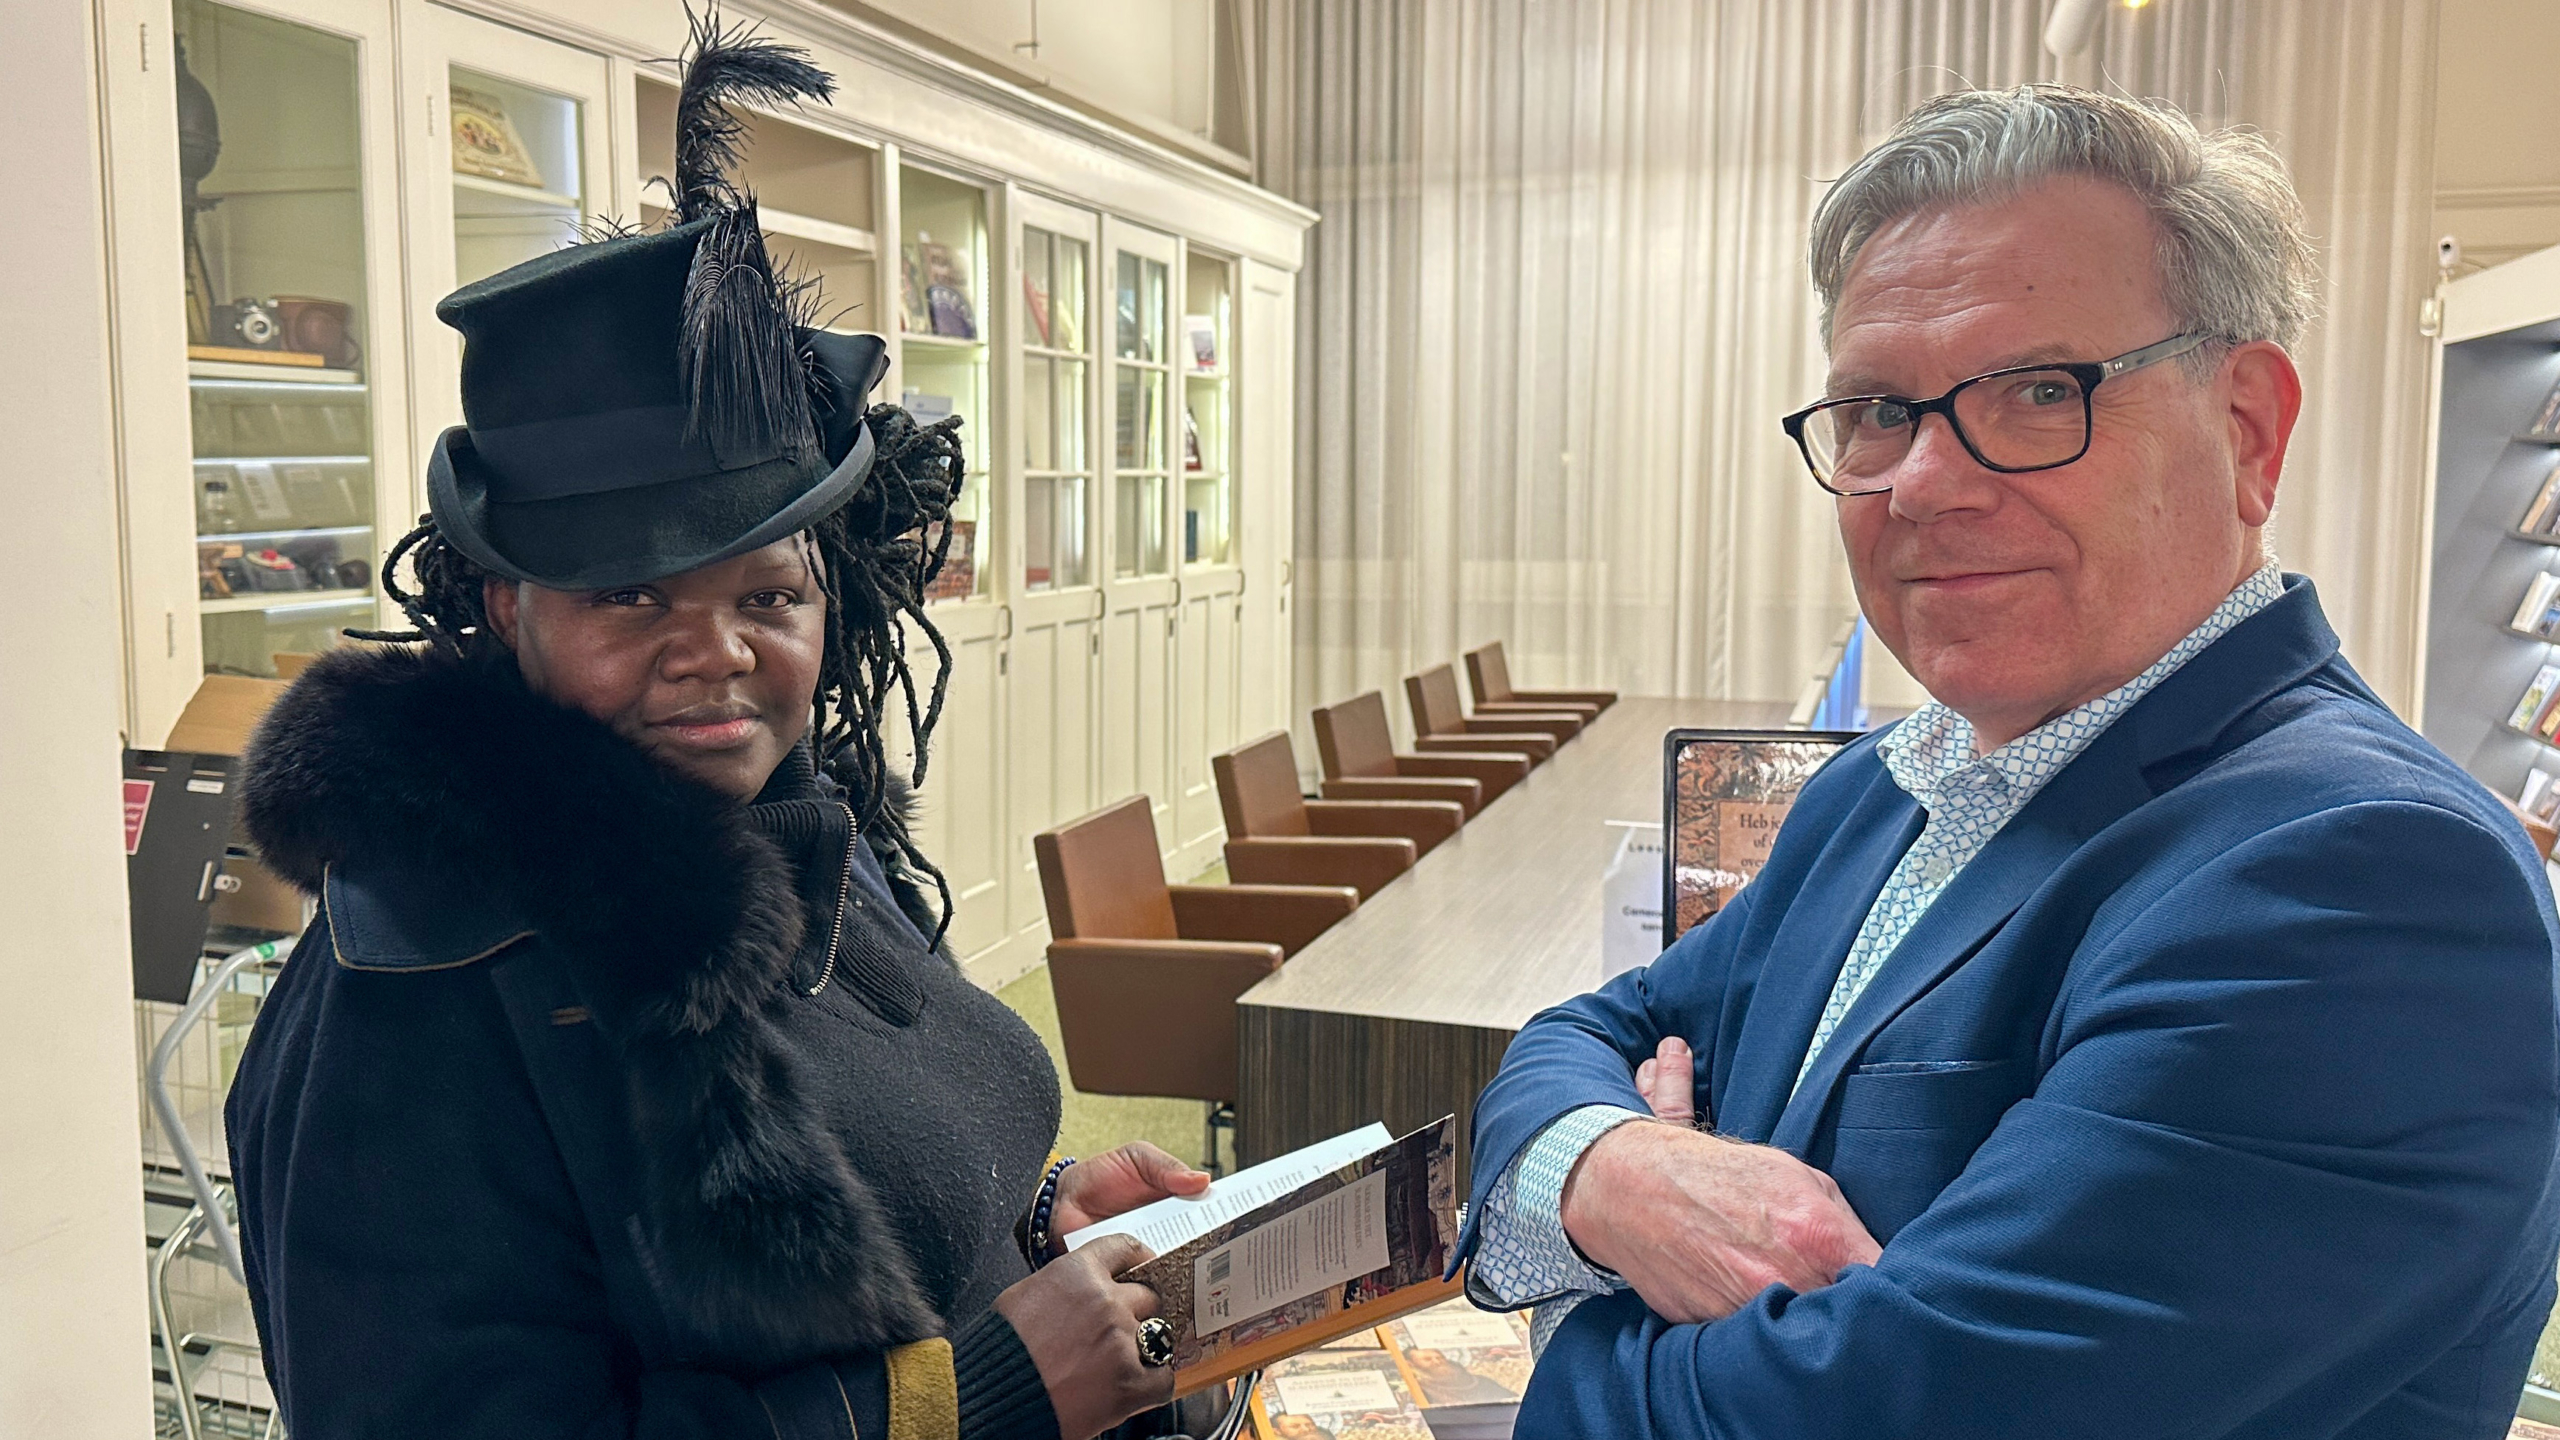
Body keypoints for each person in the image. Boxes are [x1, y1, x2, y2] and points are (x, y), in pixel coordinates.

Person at [1458, 83, 2560, 1438]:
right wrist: (1613, 1172)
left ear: (2249, 429)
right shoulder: (1890, 786)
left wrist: (1579, 1315)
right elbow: (1591, 1033)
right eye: (1876, 409)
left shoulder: (2364, 885)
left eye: (2040, 392)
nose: (1922, 481)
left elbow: (1865, 1419)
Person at [226, 17, 1212, 1439]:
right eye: (629, 595)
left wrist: (1028, 1228)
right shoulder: (419, 992)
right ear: (509, 613)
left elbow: (861, 1208)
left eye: (768, 592)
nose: (718, 656)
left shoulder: (788, 831)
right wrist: (981, 1393)